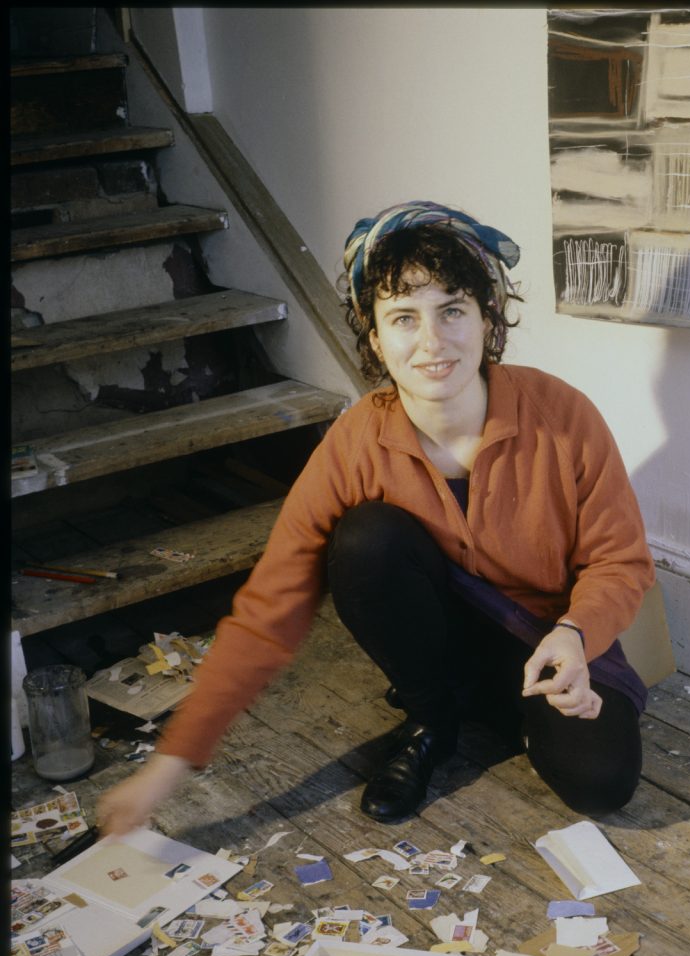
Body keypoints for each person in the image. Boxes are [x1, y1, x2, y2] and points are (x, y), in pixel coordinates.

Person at [97, 200, 655, 835]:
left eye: (452, 310)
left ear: (487, 318)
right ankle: (432, 718)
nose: (432, 342)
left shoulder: (562, 412)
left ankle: (496, 702)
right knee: (367, 538)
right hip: (441, 633)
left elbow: (619, 560)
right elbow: (270, 608)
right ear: (374, 336)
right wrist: (166, 767)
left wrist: (577, 635)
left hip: (544, 638)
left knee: (601, 787)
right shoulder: (358, 438)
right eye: (403, 318)